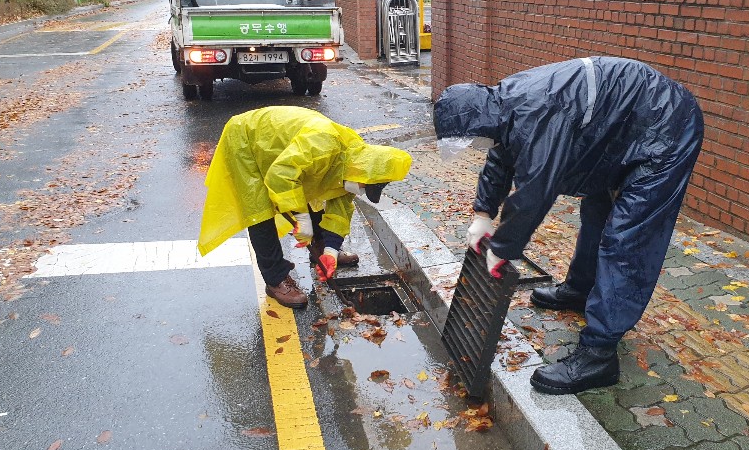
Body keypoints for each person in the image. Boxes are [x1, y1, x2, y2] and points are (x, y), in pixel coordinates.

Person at [434, 57, 704, 394]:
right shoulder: (503, 106)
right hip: (620, 131)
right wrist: (483, 213)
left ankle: (599, 354)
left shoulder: (536, 111)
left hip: (665, 130)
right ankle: (580, 290)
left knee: (627, 240)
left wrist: (502, 248)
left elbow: (536, 190)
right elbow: (501, 157)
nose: (473, 147)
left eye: (470, 140)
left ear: (478, 122)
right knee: (596, 214)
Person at [198, 106, 413, 309]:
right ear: (363, 171)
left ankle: (318, 249)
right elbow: (281, 176)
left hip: (282, 155)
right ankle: (276, 279)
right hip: (247, 141)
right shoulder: (322, 144)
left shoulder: (353, 164)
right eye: (364, 187)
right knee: (258, 212)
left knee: (319, 192)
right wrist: (302, 221)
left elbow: (339, 210)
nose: (360, 190)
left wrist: (330, 251)